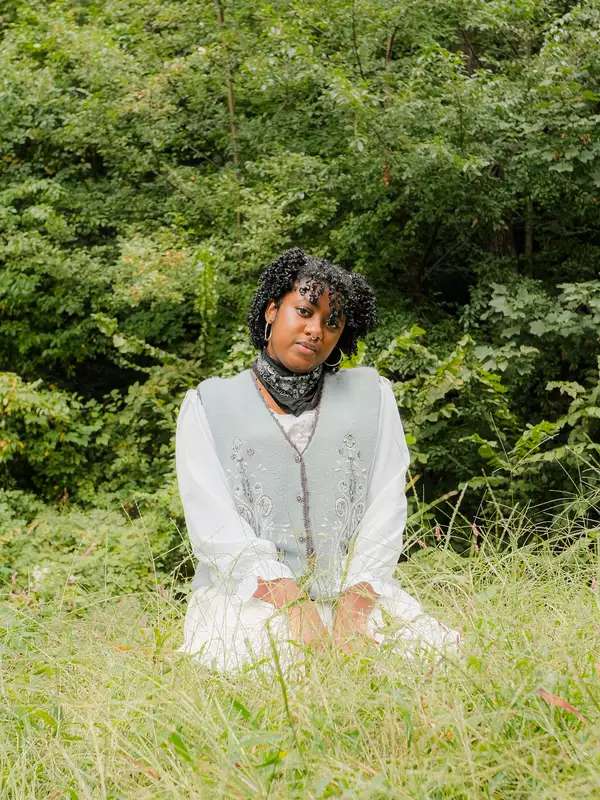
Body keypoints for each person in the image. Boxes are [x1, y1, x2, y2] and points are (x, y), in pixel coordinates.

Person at [176, 248, 460, 672]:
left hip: (354, 596)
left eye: (332, 323)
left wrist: (355, 605)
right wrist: (292, 604)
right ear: (272, 310)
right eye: (304, 312)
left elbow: (386, 506)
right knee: (273, 668)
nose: (315, 330)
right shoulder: (207, 404)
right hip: (250, 597)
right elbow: (213, 524)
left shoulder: (373, 396)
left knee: (422, 661)